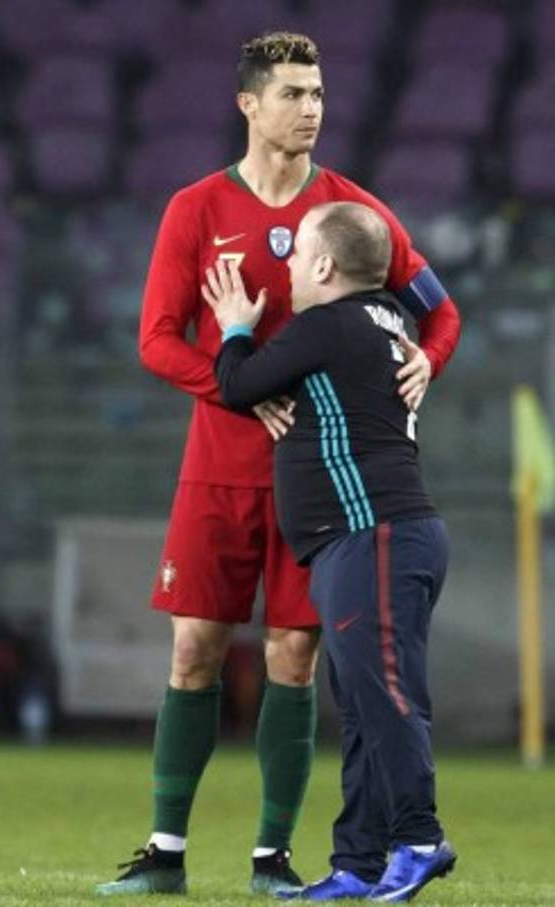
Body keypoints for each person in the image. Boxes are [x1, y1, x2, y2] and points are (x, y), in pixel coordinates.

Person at [96, 32, 460, 897]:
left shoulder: (350, 212)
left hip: (325, 484)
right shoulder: (195, 210)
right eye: (293, 93)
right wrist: (241, 394)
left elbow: (440, 312)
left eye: (319, 93)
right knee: (194, 650)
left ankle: (272, 857)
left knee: (296, 658)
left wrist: (428, 363)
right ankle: (165, 851)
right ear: (248, 104)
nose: (311, 109)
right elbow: (154, 340)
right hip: (218, 467)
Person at [206, 200, 456, 903]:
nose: (285, 267)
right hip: (385, 535)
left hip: (370, 533)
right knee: (366, 699)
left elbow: (237, 386)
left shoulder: (327, 325)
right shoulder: (390, 321)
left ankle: (419, 836)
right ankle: (359, 863)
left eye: (295, 255)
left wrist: (235, 328)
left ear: (323, 265)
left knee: (383, 696)